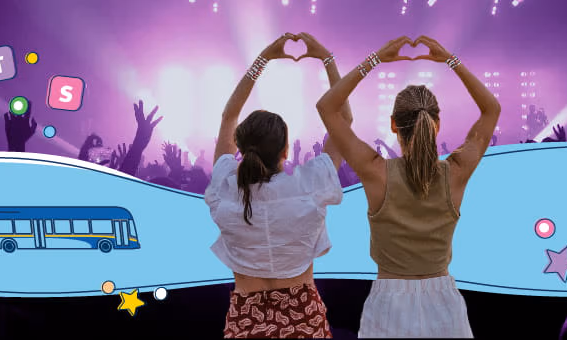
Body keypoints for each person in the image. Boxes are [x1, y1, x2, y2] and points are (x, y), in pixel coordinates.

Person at [317, 35, 501, 338]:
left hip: (389, 304)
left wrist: (375, 59)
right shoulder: (456, 172)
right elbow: (491, 109)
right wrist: (450, 60)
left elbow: (327, 107)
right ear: (437, 124)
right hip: (444, 306)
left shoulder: (376, 171)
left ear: (393, 124)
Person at [204, 32, 352, 339]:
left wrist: (264, 59)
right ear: (286, 150)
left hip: (246, 319)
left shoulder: (225, 190)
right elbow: (344, 119)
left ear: (240, 148)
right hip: (304, 317)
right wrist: (327, 59)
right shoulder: (311, 186)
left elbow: (229, 115)